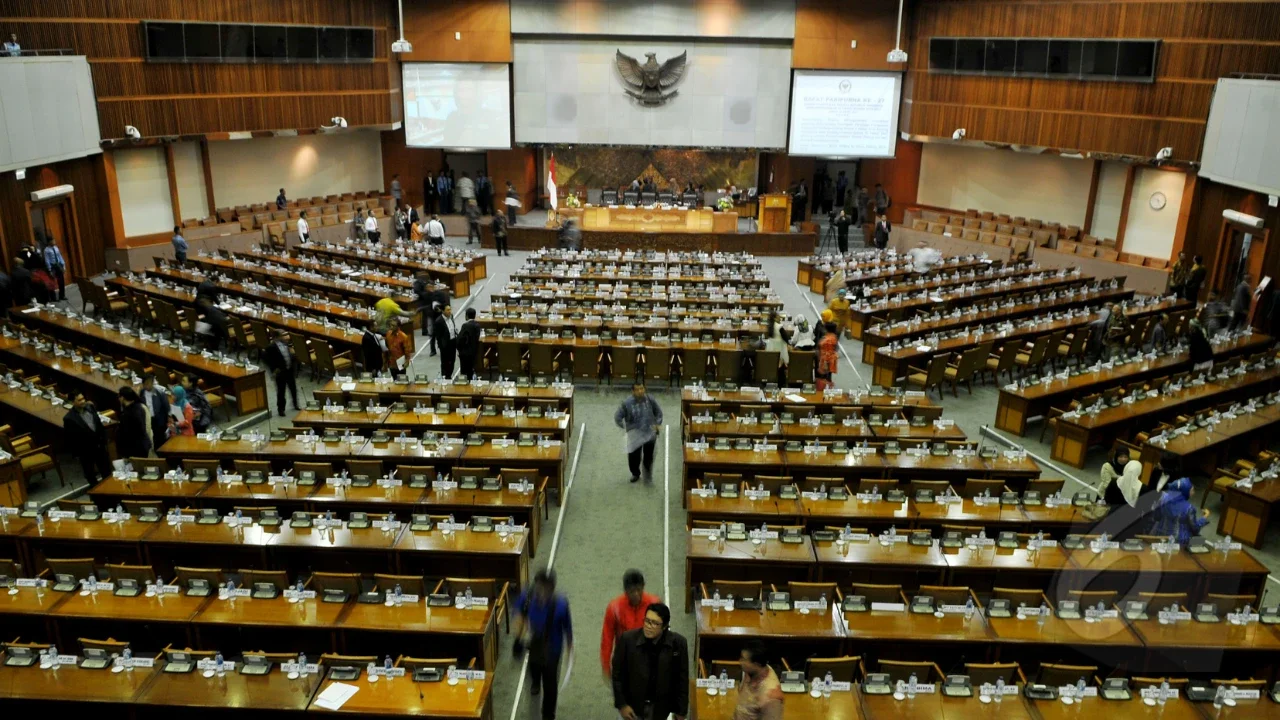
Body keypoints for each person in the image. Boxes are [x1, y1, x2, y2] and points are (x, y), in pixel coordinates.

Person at [513, 569, 573, 720]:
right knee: (533, 667)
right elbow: (517, 615)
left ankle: (548, 715)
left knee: (550, 686)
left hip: (553, 649)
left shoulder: (560, 604)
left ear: (552, 588)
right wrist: (519, 633)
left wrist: (570, 648)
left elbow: (567, 627)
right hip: (532, 643)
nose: (542, 592)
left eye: (546, 588)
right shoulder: (526, 597)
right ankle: (535, 682)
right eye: (539, 587)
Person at [611, 602, 689, 720]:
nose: (648, 626)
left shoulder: (678, 644)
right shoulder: (628, 640)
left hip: (660, 708)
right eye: (647, 621)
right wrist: (622, 705)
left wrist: (681, 711)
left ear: (665, 626)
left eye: (655, 623)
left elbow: (682, 680)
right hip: (632, 707)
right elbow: (617, 675)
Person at [600, 569, 661, 681]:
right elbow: (607, 637)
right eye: (632, 591)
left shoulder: (654, 604)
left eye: (639, 589)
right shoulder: (614, 608)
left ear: (643, 587)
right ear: (626, 591)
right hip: (624, 659)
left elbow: (663, 632)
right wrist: (605, 663)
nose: (636, 594)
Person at [614, 382, 663, 484]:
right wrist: (625, 428)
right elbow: (618, 417)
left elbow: (658, 412)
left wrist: (657, 423)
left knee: (648, 456)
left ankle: (648, 475)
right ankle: (635, 473)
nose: (640, 391)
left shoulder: (650, 400)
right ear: (633, 391)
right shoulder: (626, 403)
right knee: (634, 456)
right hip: (635, 434)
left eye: (642, 389)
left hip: (649, 432)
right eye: (637, 389)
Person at [64, 391, 111, 482]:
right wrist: (77, 454)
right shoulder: (69, 418)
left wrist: (104, 439)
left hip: (99, 446)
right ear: (72, 402)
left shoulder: (91, 407)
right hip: (85, 451)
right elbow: (71, 438)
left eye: (83, 399)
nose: (83, 401)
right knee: (90, 476)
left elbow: (98, 424)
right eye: (79, 400)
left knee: (106, 472)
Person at [1149, 477, 1210, 544]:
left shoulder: (1162, 498)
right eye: (1192, 490)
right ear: (1185, 492)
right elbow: (1195, 529)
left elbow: (1155, 517)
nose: (1194, 493)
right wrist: (1205, 517)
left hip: (1158, 536)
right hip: (1178, 541)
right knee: (1200, 540)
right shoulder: (1189, 508)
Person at [735, 640, 784, 720]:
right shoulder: (750, 671)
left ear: (756, 665)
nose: (740, 662)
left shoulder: (771, 698)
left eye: (744, 659)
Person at [263, 330, 300, 417]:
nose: (283, 337)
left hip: (289, 370)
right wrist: (274, 369)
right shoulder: (270, 347)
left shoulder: (285, 343)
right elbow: (265, 358)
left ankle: (296, 404)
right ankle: (281, 409)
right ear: (276, 337)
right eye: (281, 336)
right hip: (280, 372)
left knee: (293, 389)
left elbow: (289, 354)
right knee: (281, 391)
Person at [116, 387, 151, 461]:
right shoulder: (140, 407)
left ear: (122, 398)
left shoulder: (128, 414)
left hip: (134, 449)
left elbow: (126, 434)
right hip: (143, 445)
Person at [139, 373, 169, 450]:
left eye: (148, 384)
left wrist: (167, 419)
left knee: (160, 437)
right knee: (152, 436)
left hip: (159, 419)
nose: (146, 386)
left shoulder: (160, 393)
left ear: (152, 383)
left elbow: (166, 407)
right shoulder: (142, 392)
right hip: (149, 418)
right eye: (144, 384)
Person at [433, 303, 458, 378]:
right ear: (442, 311)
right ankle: (445, 378)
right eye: (447, 310)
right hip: (445, 345)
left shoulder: (451, 316)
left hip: (453, 342)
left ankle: (449, 375)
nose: (450, 311)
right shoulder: (438, 321)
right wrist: (442, 347)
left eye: (450, 309)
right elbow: (438, 336)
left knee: (452, 361)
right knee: (445, 363)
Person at [455, 307, 481, 379]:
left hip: (465, 353)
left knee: (464, 372)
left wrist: (458, 348)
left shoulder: (465, 325)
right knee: (471, 371)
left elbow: (460, 339)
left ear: (466, 316)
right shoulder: (477, 325)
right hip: (473, 352)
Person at [816, 319, 838, 390]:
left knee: (823, 376)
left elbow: (820, 345)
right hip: (831, 358)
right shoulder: (834, 336)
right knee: (828, 375)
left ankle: (823, 390)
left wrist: (824, 362)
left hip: (826, 359)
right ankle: (828, 388)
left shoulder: (827, 339)